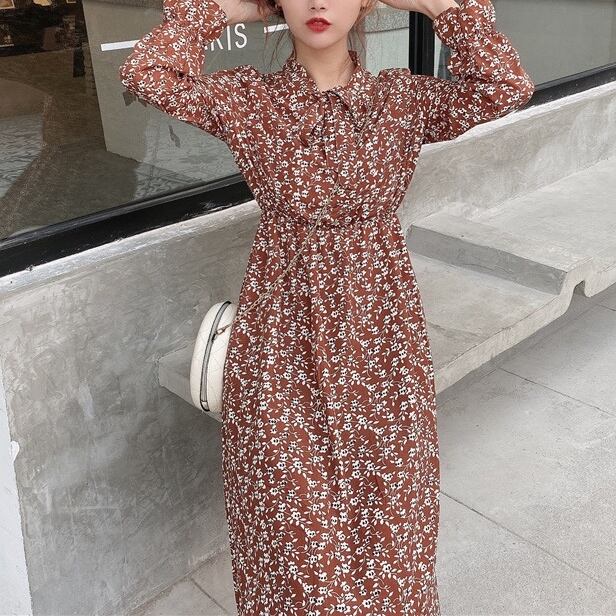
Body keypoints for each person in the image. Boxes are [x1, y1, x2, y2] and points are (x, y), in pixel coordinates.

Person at [118, 0, 534, 613]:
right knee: (294, 546)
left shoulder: (401, 101)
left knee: (391, 534)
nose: (318, 3)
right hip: (280, 349)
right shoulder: (250, 101)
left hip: (380, 347)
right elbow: (146, 72)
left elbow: (505, 85)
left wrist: (437, 6)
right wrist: (224, 12)